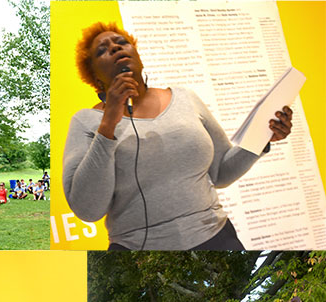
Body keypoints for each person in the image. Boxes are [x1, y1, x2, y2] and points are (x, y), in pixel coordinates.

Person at [62, 22, 293, 250]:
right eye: (102, 50)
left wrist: (263, 137)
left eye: (122, 42)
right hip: (138, 255)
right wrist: (108, 125)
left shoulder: (185, 98)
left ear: (138, 55)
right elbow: (88, 209)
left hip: (218, 239)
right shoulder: (86, 121)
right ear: (94, 76)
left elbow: (221, 172)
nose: (115, 48)